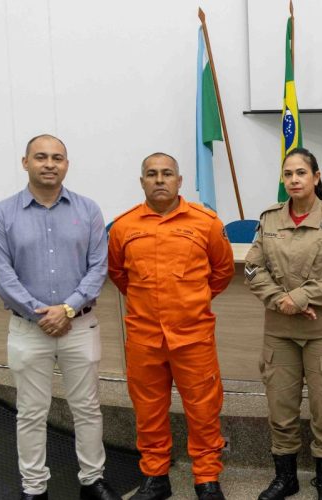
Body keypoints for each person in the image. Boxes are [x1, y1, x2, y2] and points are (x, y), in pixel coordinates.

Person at [0, 134, 121, 500]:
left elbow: (98, 267)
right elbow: (1, 275)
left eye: (57, 158)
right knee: (31, 411)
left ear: (66, 164)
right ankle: (34, 488)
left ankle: (93, 480)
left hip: (80, 326)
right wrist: (40, 313)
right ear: (25, 162)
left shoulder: (88, 210)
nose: (49, 164)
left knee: (87, 408)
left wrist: (67, 309)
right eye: (41, 157)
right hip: (28, 329)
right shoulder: (1, 214)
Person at [107, 152, 234, 500]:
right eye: (152, 174)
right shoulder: (123, 227)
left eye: (167, 174)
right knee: (148, 412)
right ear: (142, 181)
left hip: (193, 336)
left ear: (179, 181)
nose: (159, 180)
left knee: (204, 410)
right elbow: (118, 274)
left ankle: (206, 478)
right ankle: (155, 476)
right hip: (144, 338)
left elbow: (222, 271)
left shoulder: (206, 223)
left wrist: (191, 300)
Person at [245, 148, 322, 500]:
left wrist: (302, 297)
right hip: (280, 331)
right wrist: (281, 300)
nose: (294, 179)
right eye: (288, 174)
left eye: (301, 173)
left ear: (316, 177)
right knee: (281, 409)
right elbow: (252, 268)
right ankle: (286, 478)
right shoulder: (269, 219)